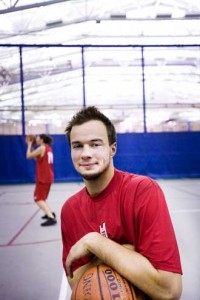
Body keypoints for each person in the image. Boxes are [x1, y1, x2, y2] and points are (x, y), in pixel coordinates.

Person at [61, 106, 182, 299]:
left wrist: (95, 242)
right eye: (77, 146)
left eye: (95, 144)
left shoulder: (143, 191)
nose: (85, 153)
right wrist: (125, 251)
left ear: (112, 149)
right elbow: (76, 283)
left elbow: (169, 289)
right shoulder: (69, 210)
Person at [26, 133, 57, 227]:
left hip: (43, 177)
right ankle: (51, 212)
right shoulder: (48, 148)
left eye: (38, 137)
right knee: (42, 198)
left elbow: (28, 156)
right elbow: (36, 158)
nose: (37, 138)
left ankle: (51, 218)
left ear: (42, 140)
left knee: (38, 199)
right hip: (48, 176)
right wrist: (32, 147)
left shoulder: (42, 148)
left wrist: (29, 145)